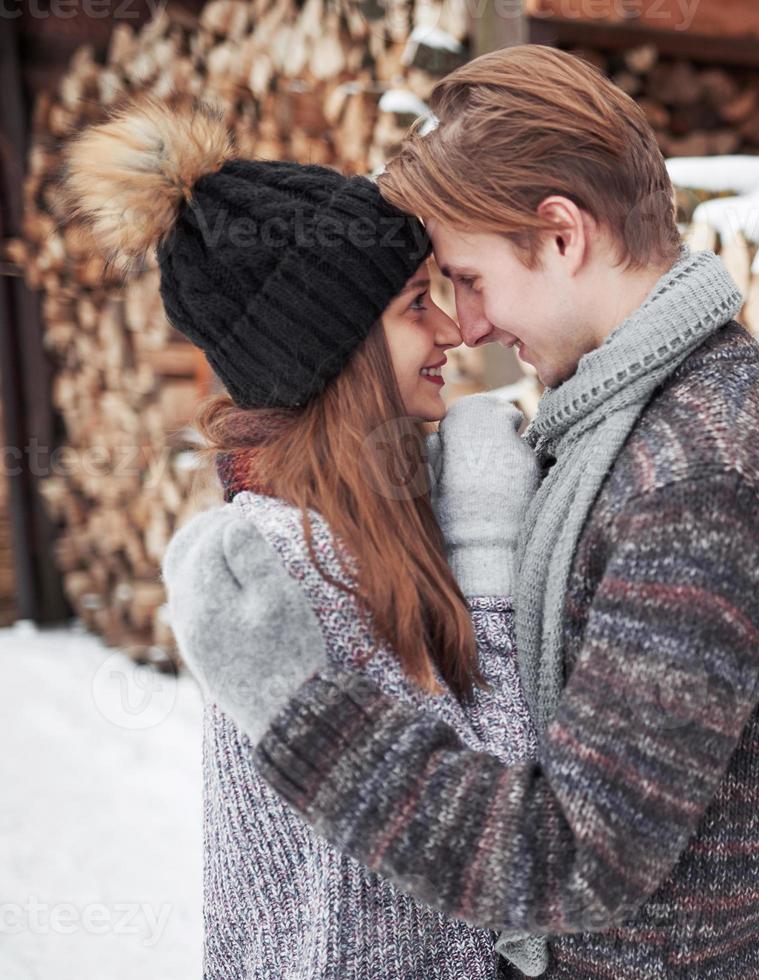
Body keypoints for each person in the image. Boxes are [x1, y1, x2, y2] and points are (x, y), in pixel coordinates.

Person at [164, 45, 759, 979]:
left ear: (560, 236)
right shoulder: (620, 420)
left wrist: (307, 719)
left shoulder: (701, 472)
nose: (467, 326)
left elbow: (575, 859)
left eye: (469, 279)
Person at [65, 100, 550, 977]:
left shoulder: (363, 528)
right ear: (337, 352)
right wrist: (486, 547)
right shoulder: (289, 565)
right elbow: (493, 845)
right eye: (413, 306)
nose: (449, 329)